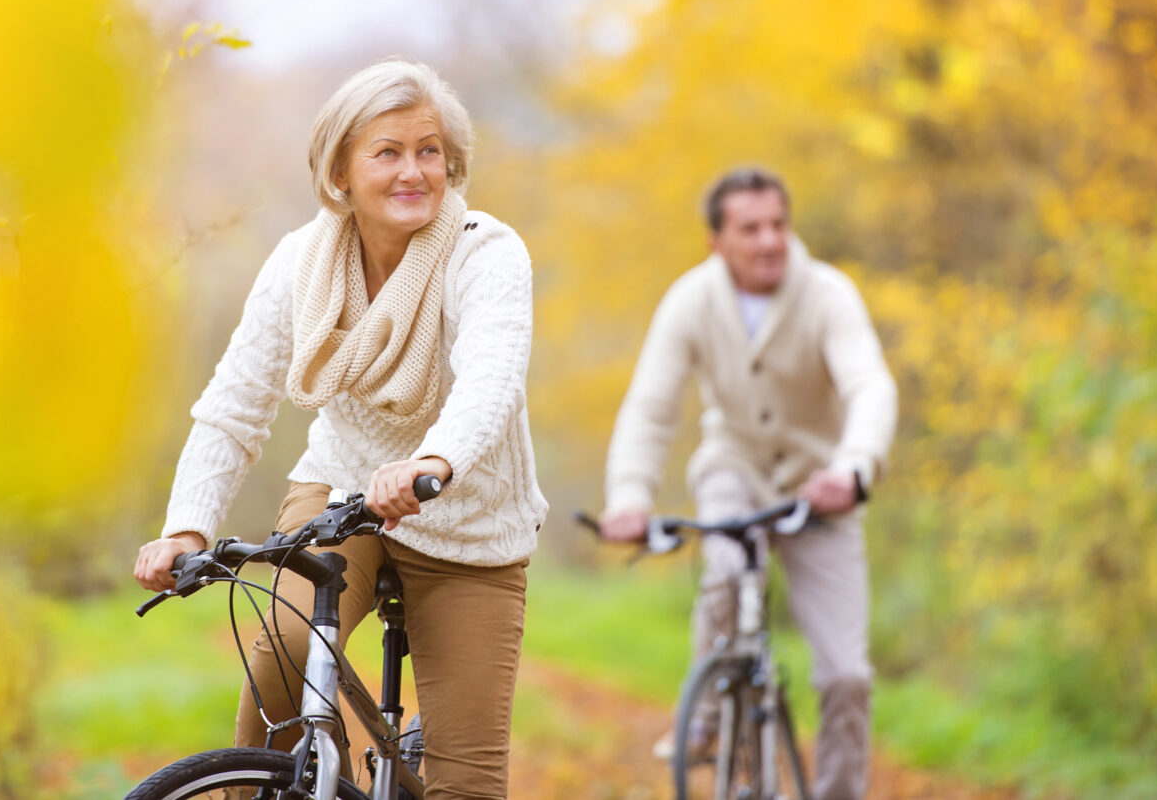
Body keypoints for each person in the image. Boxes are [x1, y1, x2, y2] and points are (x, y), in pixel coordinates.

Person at [134, 58, 548, 800]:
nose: (413, 171)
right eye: (387, 153)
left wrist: (434, 460)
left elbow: (491, 378)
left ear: (452, 163)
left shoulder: (486, 251)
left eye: (428, 151)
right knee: (284, 658)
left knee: (469, 783)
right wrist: (187, 530)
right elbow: (233, 406)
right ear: (341, 174)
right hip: (341, 492)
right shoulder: (302, 262)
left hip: (470, 520)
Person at [598, 166, 896, 800]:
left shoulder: (827, 294)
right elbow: (652, 408)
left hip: (821, 491)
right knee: (726, 574)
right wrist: (629, 498)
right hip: (733, 476)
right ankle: (705, 721)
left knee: (846, 675)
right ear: (716, 241)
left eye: (778, 225)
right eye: (750, 228)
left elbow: (869, 386)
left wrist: (853, 468)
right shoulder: (690, 300)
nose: (768, 241)